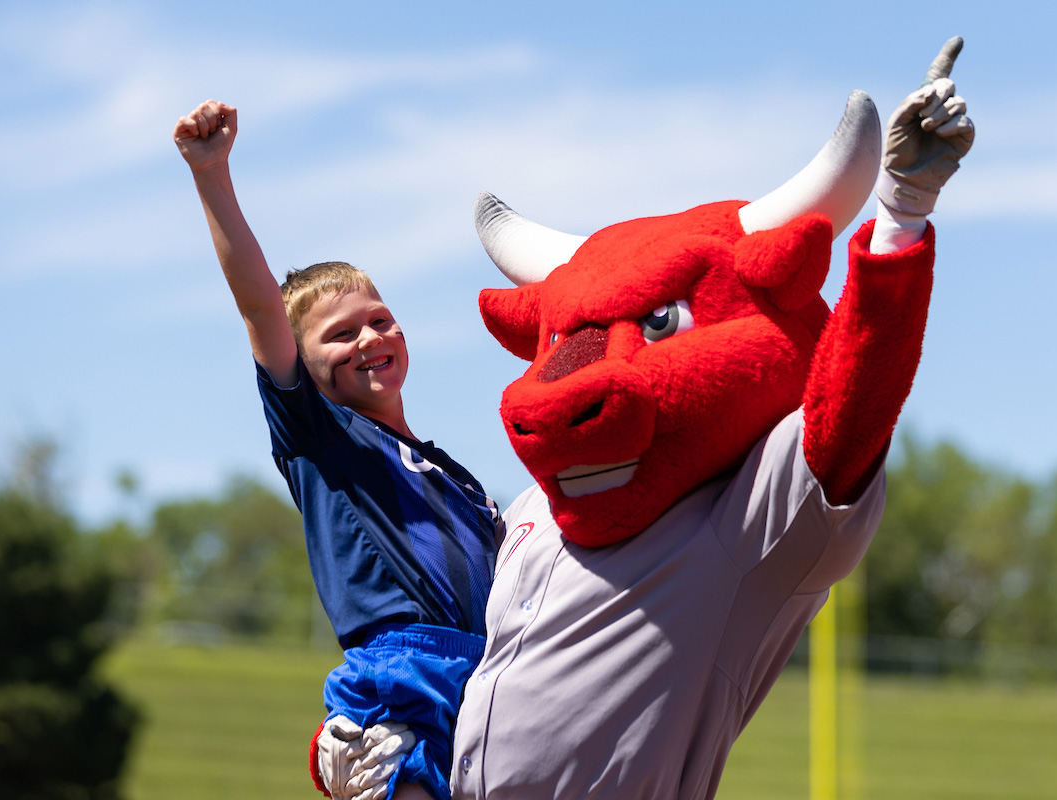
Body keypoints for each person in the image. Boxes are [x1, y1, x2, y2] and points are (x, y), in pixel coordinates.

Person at [314, 38, 974, 800]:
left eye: (659, 321)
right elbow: (460, 659)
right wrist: (370, 741)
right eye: (565, 341)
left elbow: (845, 417)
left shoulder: (745, 527)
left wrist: (901, 216)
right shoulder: (533, 514)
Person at [173, 100, 500, 800]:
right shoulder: (321, 437)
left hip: (495, 676)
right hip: (403, 676)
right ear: (302, 360)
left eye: (379, 320)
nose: (368, 339)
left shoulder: (459, 478)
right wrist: (213, 176)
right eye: (341, 334)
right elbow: (262, 305)